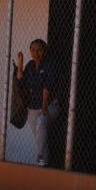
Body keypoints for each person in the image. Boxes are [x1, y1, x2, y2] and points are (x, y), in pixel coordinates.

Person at [15, 39, 57, 167]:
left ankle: (39, 161)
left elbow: (47, 86)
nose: (35, 53)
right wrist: (20, 63)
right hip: (33, 108)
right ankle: (44, 164)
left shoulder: (49, 64)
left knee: (41, 122)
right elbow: (20, 82)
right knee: (40, 140)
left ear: (44, 51)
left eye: (39, 50)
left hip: (49, 105)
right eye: (33, 50)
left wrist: (44, 106)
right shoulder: (30, 65)